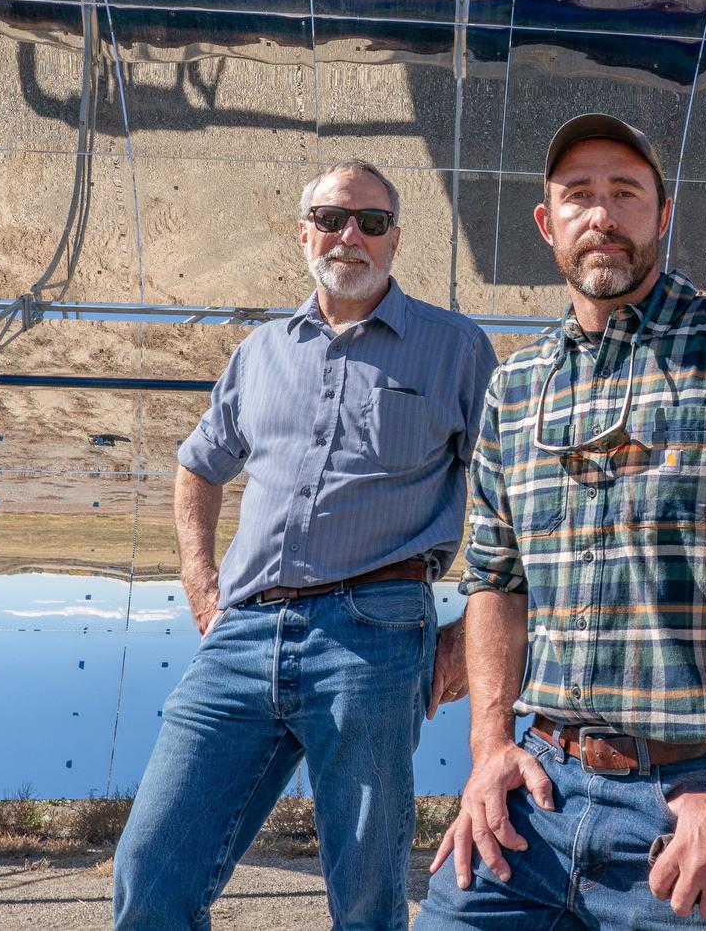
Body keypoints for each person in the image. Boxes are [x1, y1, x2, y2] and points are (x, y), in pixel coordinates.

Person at [416, 114, 706, 929]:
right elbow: (496, 581)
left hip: (692, 811)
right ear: (548, 223)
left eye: (625, 193)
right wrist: (489, 748)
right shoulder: (516, 388)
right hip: (533, 804)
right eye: (579, 196)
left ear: (662, 216)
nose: (601, 215)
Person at [113, 159, 498, 931]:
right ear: (304, 232)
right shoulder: (261, 352)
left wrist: (469, 638)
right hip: (242, 635)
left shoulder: (455, 349)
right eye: (331, 218)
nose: (349, 234)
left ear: (395, 240)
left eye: (371, 221)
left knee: (363, 894)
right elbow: (197, 466)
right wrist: (199, 582)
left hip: (376, 636)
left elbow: (513, 496)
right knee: (149, 868)